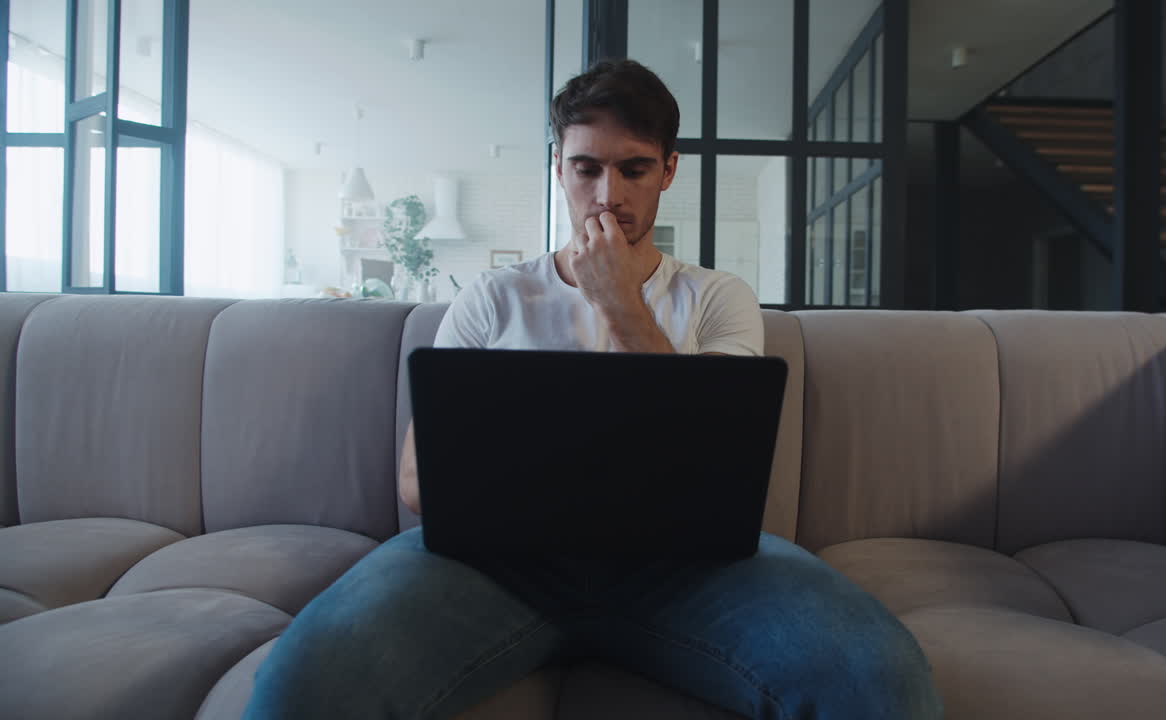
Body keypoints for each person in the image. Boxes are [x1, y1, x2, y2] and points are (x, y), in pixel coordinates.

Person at [242, 59, 941, 720]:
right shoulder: (491, 299)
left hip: (689, 570)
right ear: (559, 169)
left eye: (634, 168)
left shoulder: (718, 297)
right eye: (586, 169)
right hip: (496, 567)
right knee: (301, 682)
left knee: (879, 678)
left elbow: (713, 465)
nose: (608, 195)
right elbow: (418, 484)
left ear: (669, 170)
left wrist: (620, 304)